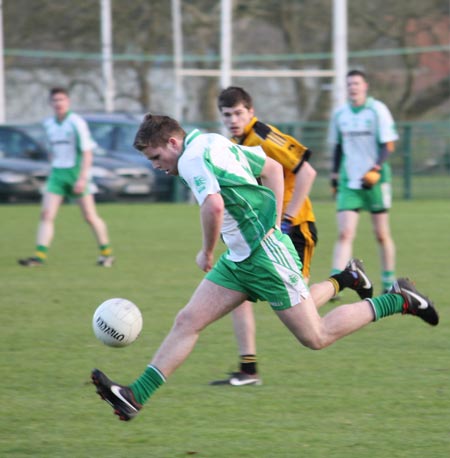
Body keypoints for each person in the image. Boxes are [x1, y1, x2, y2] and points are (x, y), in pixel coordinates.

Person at [91, 114, 438, 422]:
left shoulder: (193, 159)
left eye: (156, 157)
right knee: (188, 321)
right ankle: (134, 396)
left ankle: (399, 299)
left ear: (172, 142)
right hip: (241, 257)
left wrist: (207, 252)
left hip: (263, 256)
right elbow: (271, 168)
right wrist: (270, 221)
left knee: (315, 336)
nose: (156, 165)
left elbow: (212, 206)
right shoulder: (211, 140)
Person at [210, 86, 319, 386]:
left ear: (251, 112)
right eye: (227, 115)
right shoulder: (234, 143)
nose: (233, 119)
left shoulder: (264, 135)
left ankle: (345, 280)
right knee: (238, 295)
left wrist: (287, 220)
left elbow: (307, 172)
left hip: (293, 230)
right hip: (261, 236)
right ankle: (248, 369)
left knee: (304, 312)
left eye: (238, 113)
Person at [18, 87, 114, 267]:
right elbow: (52, 150)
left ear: (68, 102)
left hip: (75, 172)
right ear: (50, 103)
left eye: (61, 100)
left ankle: (106, 254)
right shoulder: (48, 124)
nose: (58, 103)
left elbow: (87, 152)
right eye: (55, 100)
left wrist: (82, 177)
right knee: (46, 214)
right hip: (57, 174)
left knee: (89, 216)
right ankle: (39, 257)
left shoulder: (76, 122)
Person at [329, 70, 398, 293]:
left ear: (365, 86)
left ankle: (389, 282)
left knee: (381, 234)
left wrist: (376, 169)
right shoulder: (340, 114)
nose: (353, 87)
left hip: (376, 180)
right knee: (345, 233)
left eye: (357, 83)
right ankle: (334, 283)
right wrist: (334, 175)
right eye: (349, 84)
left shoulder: (377, 110)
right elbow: (338, 146)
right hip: (350, 181)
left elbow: (388, 145)